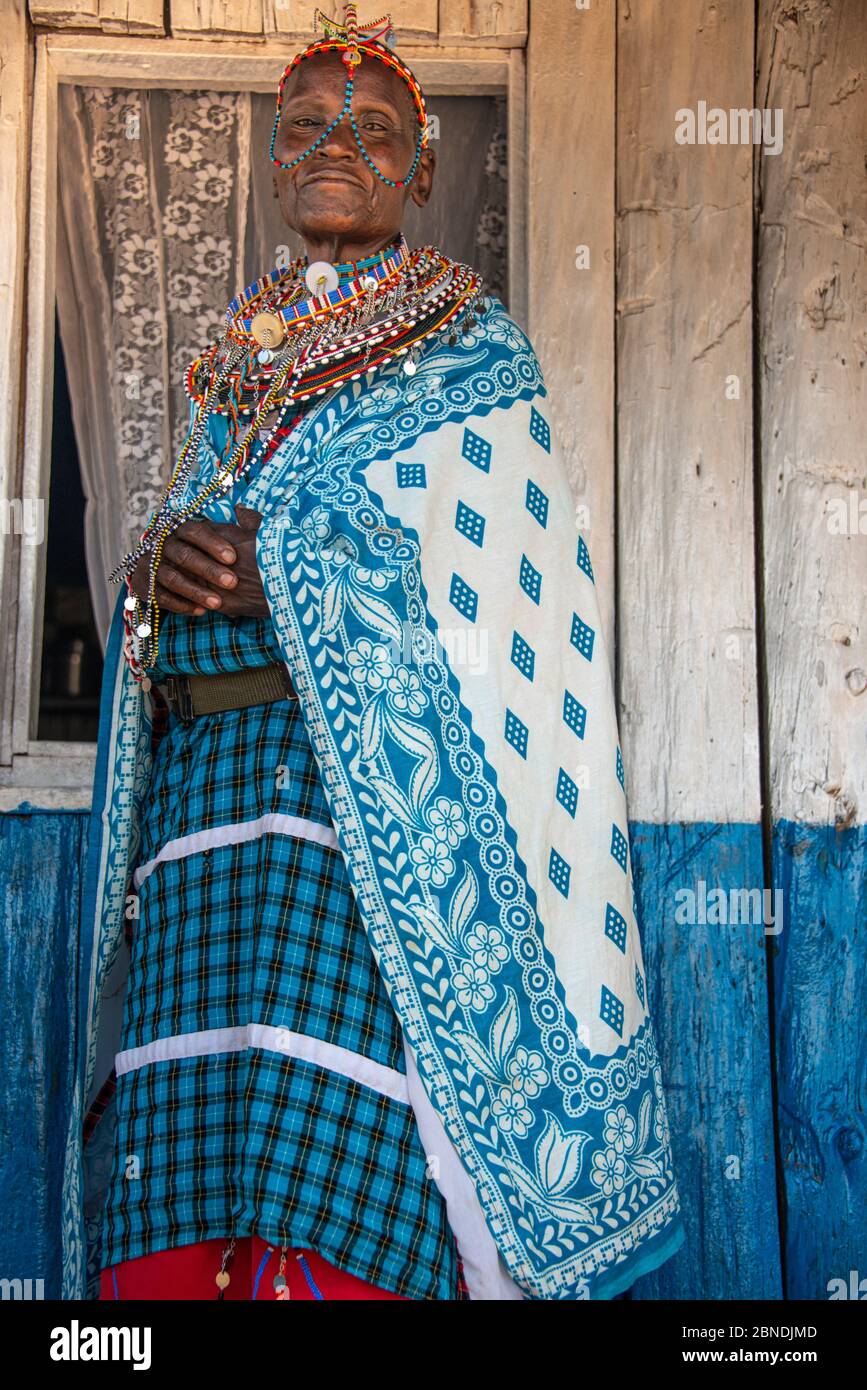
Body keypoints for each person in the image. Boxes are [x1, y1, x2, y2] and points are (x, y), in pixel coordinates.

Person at [69, 3, 684, 1301]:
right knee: (192, 1130)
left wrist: (282, 581)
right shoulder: (233, 371)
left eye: (371, 127)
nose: (333, 144)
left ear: (421, 168)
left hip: (359, 833)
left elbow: (512, 627)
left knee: (322, 1140)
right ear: (279, 164)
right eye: (304, 128)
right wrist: (154, 579)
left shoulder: (473, 357)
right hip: (204, 815)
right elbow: (193, 559)